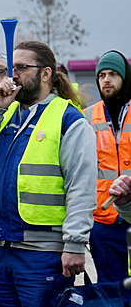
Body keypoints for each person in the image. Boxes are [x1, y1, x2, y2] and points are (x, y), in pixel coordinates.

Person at [0, 40, 97, 307]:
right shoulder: (4, 113)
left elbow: (81, 188)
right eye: (11, 68)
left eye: (22, 68)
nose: (13, 75)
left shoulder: (69, 120)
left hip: (44, 254)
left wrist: (74, 244)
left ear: (46, 73)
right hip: (0, 248)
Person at [83, 50, 131, 287]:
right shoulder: (87, 117)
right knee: (110, 289)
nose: (106, 80)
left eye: (113, 74)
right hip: (103, 221)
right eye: (102, 75)